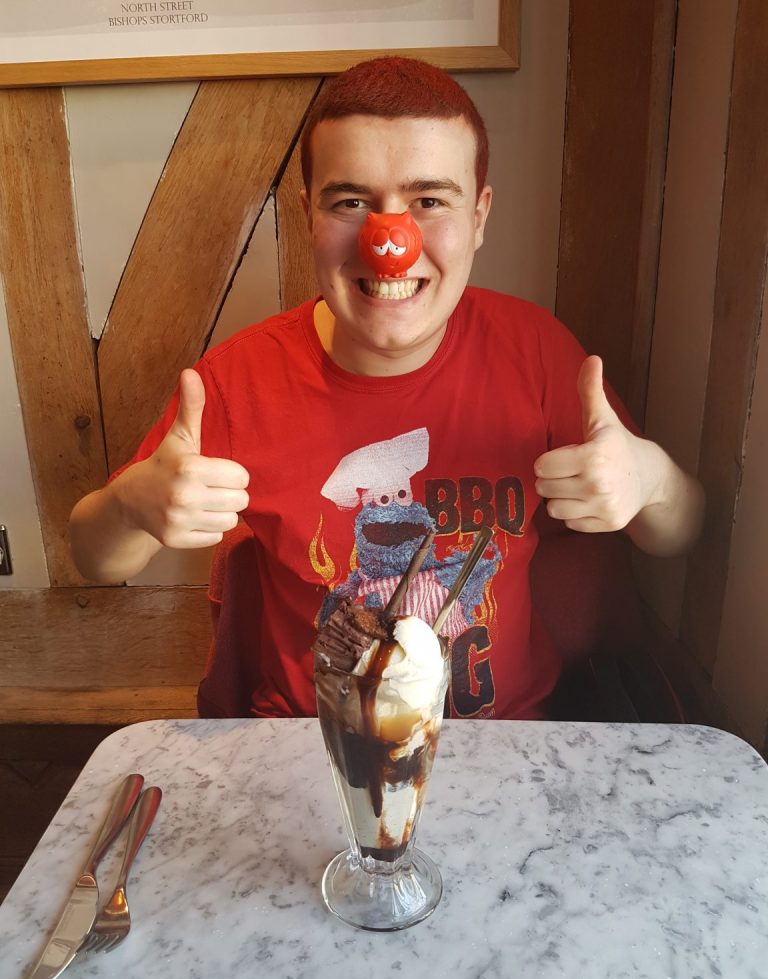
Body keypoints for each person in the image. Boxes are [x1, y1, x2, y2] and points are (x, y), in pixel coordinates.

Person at [69, 57, 704, 720]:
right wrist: (130, 507)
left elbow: (684, 530)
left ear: (479, 216)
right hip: (312, 744)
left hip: (504, 748)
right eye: (351, 202)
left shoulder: (538, 352)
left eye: (429, 201)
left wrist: (651, 481)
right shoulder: (236, 381)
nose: (389, 244)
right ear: (309, 214)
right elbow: (92, 557)